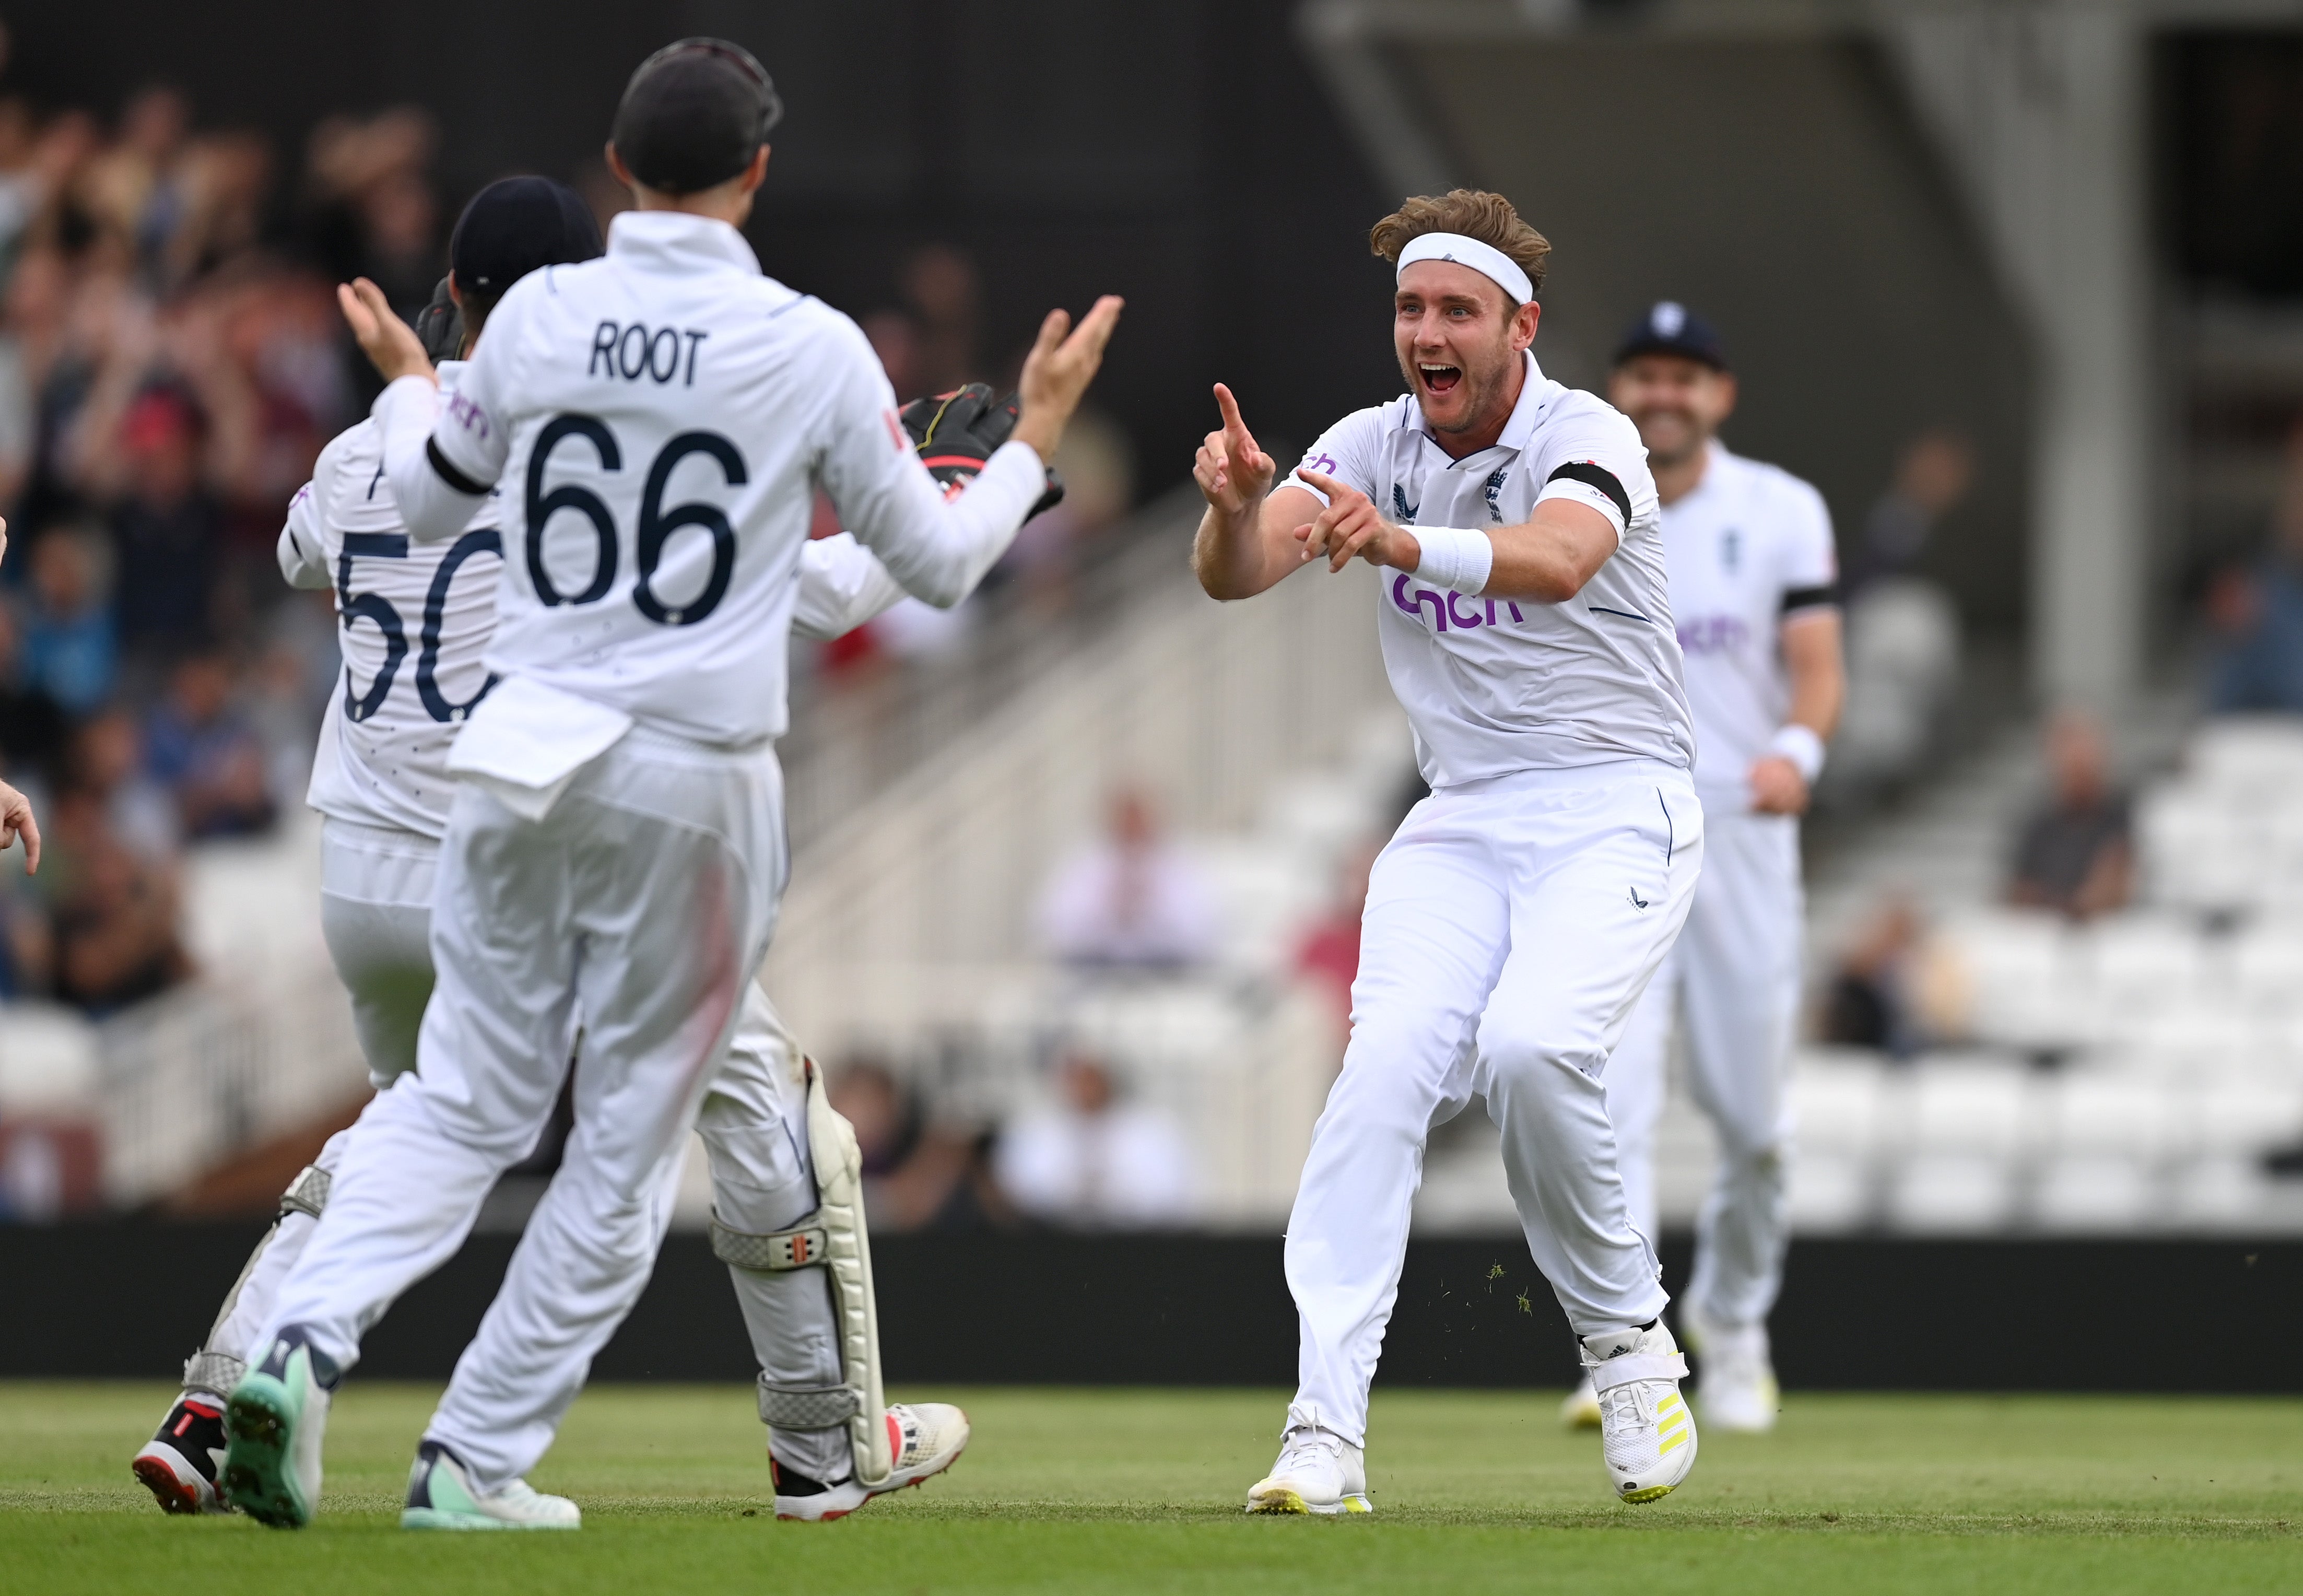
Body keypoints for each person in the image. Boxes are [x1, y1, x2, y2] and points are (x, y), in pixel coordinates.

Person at [216, 39, 1119, 1533]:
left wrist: (413, 397)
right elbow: (941, 569)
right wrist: (1027, 444)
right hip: (687, 786)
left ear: (621, 170)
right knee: (626, 1166)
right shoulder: (811, 341)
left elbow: (434, 497)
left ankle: (301, 1355)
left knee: (453, 1106)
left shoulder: (540, 320)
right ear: (756, 172)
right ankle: (470, 1462)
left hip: (513, 767)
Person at [1193, 189, 1703, 1511]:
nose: (1428, 332)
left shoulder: (1588, 431)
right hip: (1462, 817)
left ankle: (1629, 1342)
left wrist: (1401, 540)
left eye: (1456, 310)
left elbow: (1558, 558)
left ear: (1519, 326)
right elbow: (1239, 573)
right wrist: (1236, 504)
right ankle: (1323, 1430)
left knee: (1533, 1052)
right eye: (1412, 308)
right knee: (1377, 1082)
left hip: (1615, 802)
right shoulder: (1371, 439)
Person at [1575, 303, 1845, 1437]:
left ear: (1719, 396)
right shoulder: (1574, 501)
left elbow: (1816, 663)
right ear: (1617, 390)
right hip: (1614, 828)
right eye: (1644, 375)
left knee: (1754, 1124)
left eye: (1686, 377)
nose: (1664, 395)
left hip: (1741, 829)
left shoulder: (1780, 509)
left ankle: (1732, 1328)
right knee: (1611, 1098)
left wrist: (1798, 748)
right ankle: (1624, 1350)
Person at [994, 1051, 1194, 1229]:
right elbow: (1018, 1190)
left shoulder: (1151, 1129)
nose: (1086, 1088)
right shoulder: (1037, 1129)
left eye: (1091, 1080)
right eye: (1078, 1080)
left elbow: (1168, 1194)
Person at [1034, 785, 1217, 971]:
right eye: (1126, 819)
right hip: (1097, 971)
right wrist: (1109, 909)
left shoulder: (1177, 864)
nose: (1132, 827)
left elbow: (1200, 930)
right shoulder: (1087, 864)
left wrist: (1150, 906)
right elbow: (1055, 925)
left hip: (1163, 970)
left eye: (1138, 819)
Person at [2006, 709, 2132, 921]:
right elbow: (2019, 892)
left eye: (2084, 756)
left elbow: (2111, 889)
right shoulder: (2039, 824)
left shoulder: (2125, 816)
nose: (2076, 765)